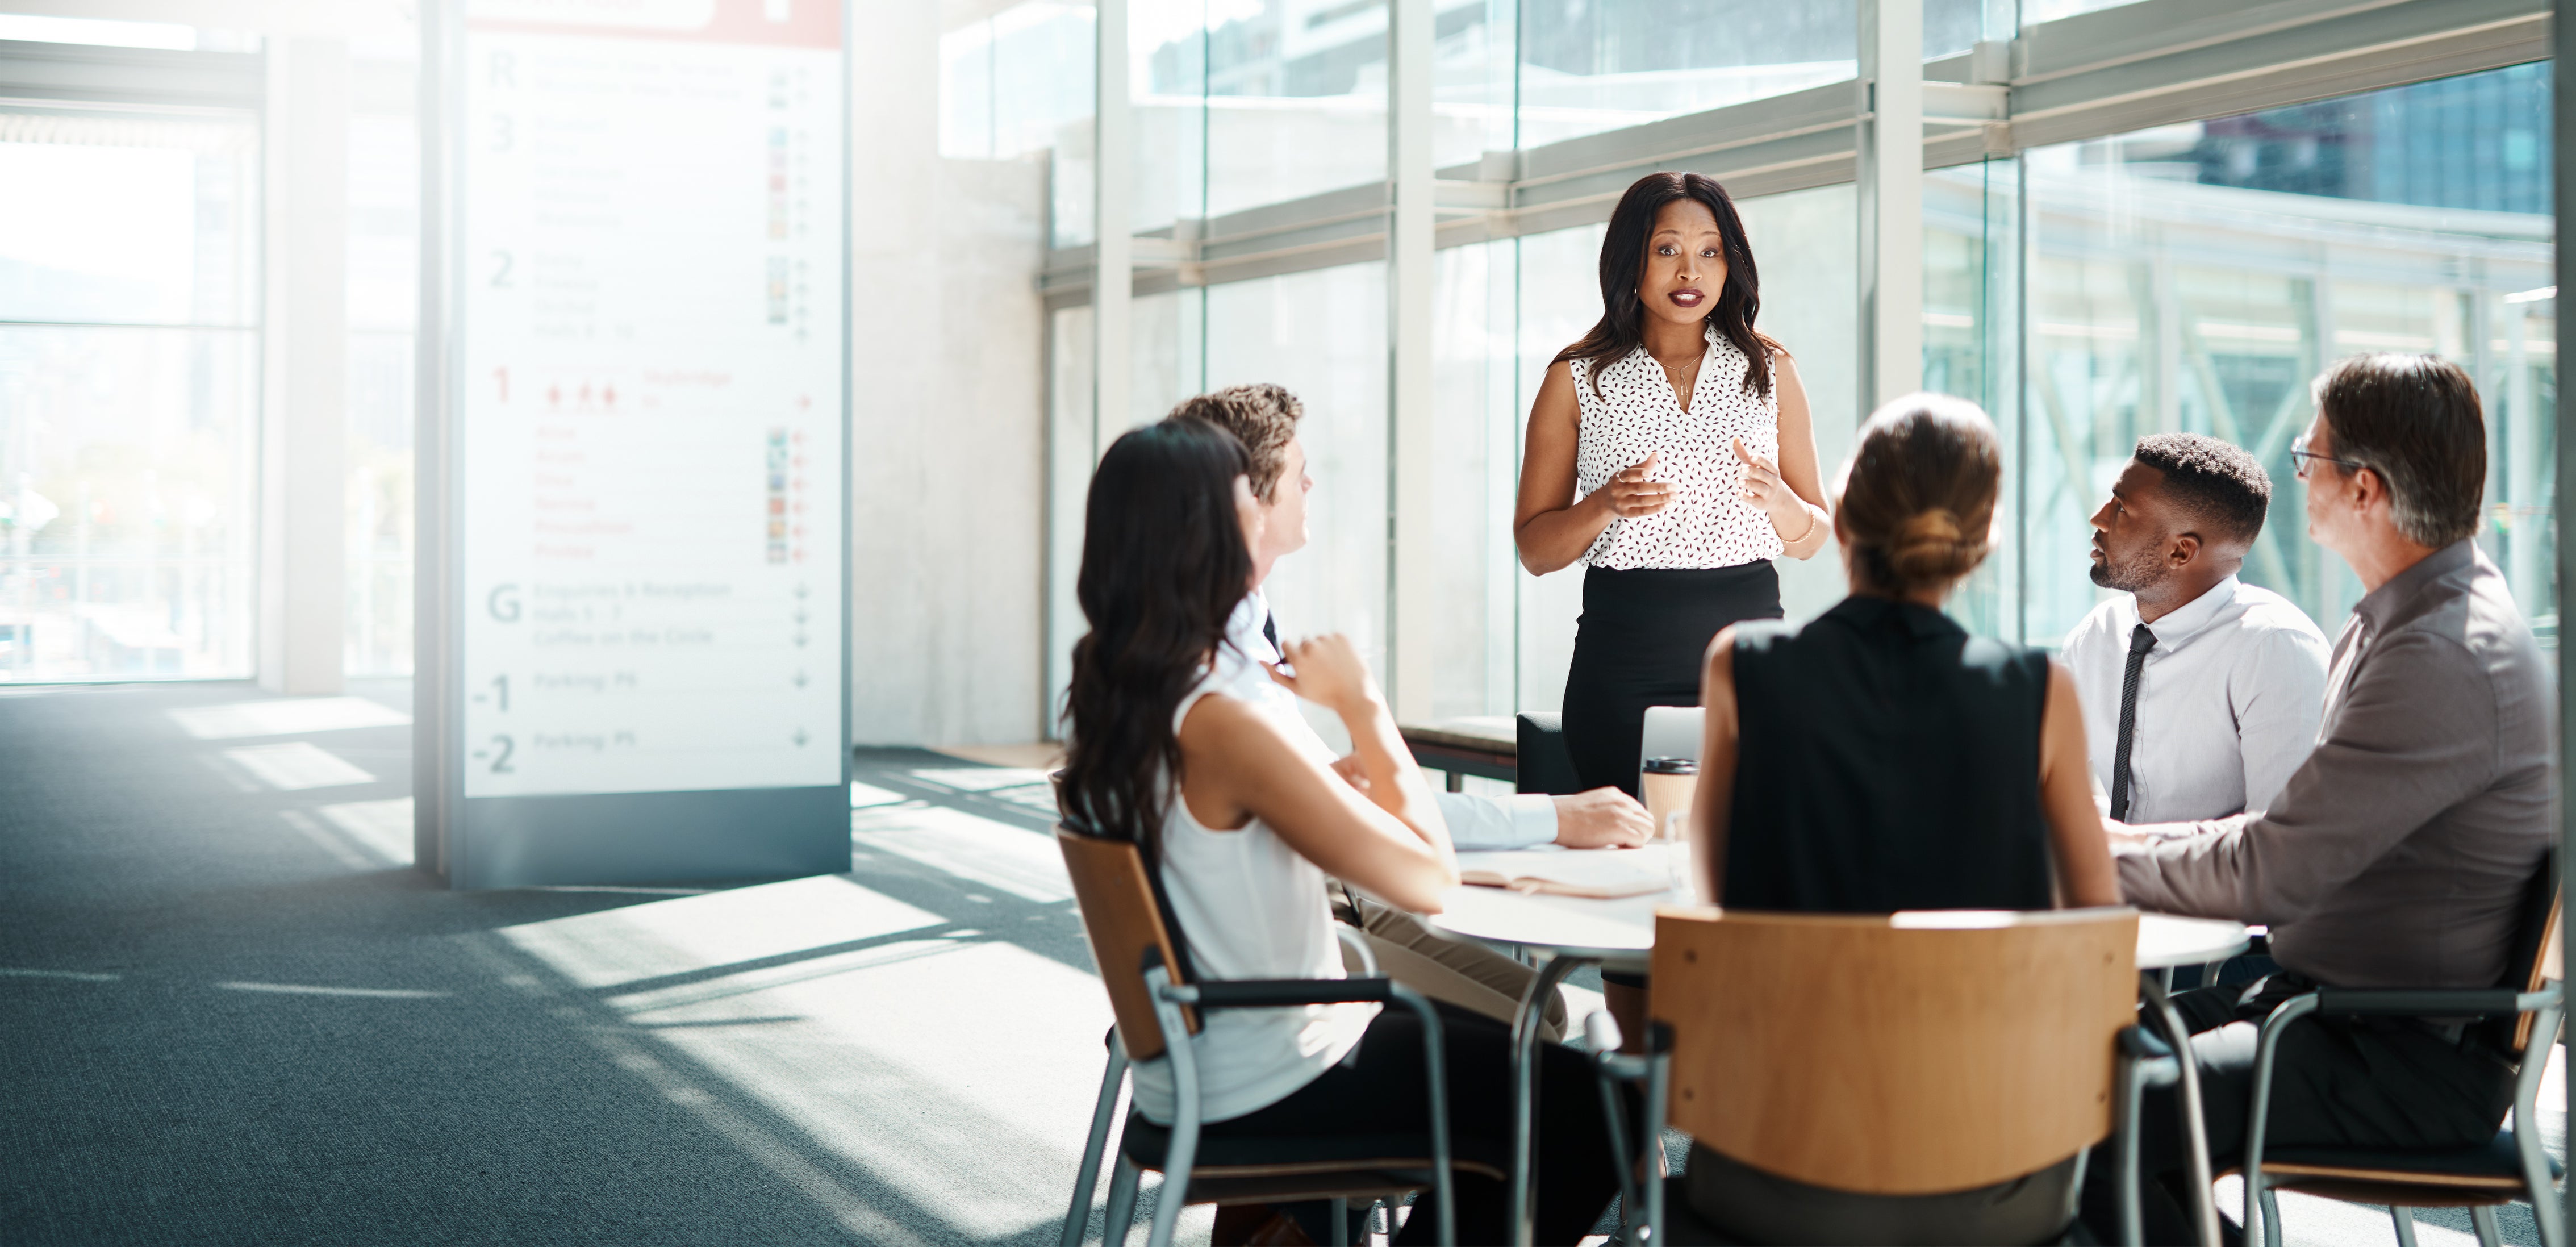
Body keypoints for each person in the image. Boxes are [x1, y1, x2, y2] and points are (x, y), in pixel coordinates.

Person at [1058, 416, 1623, 1246]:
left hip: (1215, 1053)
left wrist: (1331, 780)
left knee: (1533, 1080)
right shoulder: (1219, 714)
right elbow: (1426, 880)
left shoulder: (1126, 688)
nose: (1257, 517)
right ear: (1206, 534)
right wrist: (1364, 708)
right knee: (1594, 1107)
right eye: (1240, 506)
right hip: (1278, 1069)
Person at [2091, 353, 2554, 1244]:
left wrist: (2093, 856)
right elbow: (2286, 830)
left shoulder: (2441, 653)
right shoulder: (2406, 619)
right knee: (2070, 1064)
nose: (2297, 474)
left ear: (2364, 491)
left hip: (2386, 1051)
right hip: (2325, 1011)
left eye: (2310, 458)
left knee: (2090, 1109)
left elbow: (2276, 869)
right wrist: (2110, 838)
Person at [1676, 393, 2122, 1242]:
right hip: (1997, 1182)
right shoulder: (2039, 692)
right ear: (1979, 540)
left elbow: (1710, 898)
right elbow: (2094, 938)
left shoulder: (1741, 664)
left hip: (1767, 1170)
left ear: (1839, 516)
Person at [1174, 383, 1651, 1050]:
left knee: (1543, 1013)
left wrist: (1334, 779)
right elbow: (1413, 859)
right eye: (1293, 470)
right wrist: (1362, 704)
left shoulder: (1233, 641)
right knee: (1542, 1043)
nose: (1310, 481)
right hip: (1296, 949)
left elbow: (1338, 802)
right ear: (1245, 498)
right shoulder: (1219, 688)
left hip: (1306, 909)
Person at [1513, 169, 1832, 800]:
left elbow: (1812, 536)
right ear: (1629, 259)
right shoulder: (1576, 377)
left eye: (1709, 252)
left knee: (1748, 849)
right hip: (1622, 663)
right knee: (1632, 844)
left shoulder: (1770, 370)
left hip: (1750, 663)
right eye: (1667, 250)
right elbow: (1535, 549)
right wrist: (1602, 504)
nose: (1690, 272)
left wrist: (1779, 501)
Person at [2061, 433, 2331, 824]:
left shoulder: (2276, 650)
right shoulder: (2097, 635)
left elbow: (2284, 845)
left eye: (2121, 509)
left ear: (2180, 552)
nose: (2099, 518)